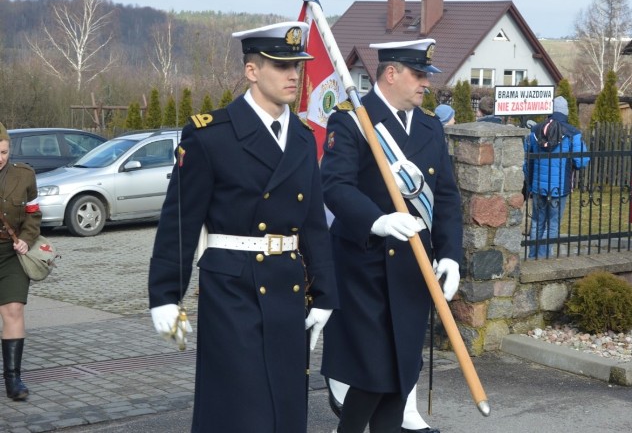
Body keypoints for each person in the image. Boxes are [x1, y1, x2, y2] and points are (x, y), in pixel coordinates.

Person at [147, 22, 338, 433]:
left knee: (285, 406)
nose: (293, 76)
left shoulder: (303, 139)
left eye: (297, 66)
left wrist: (324, 294)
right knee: (240, 408)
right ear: (252, 71)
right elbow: (180, 221)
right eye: (280, 66)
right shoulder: (211, 135)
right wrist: (165, 296)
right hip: (233, 287)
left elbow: (314, 223)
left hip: (287, 286)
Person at [320, 38, 462, 433]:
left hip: (414, 268)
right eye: (418, 75)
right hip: (364, 268)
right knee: (373, 371)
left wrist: (450, 255)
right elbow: (334, 185)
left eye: (426, 76)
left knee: (401, 372)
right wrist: (377, 221)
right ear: (391, 73)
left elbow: (447, 197)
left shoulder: (431, 127)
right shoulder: (352, 120)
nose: (425, 84)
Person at [0, 123, 40, 401]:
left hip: (11, 253)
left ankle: (13, 379)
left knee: (13, 310)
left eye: (3, 151)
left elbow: (33, 214)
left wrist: (26, 237)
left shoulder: (24, 176)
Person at [523, 96, 589, 259]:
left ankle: (533, 256)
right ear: (565, 113)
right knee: (552, 224)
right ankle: (544, 258)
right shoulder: (573, 133)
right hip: (560, 187)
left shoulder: (535, 131)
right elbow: (581, 161)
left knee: (537, 222)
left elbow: (527, 160)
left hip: (538, 186)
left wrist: (529, 183)